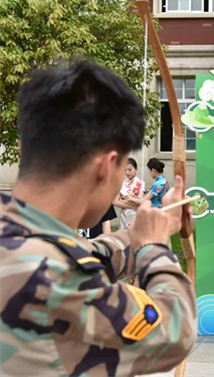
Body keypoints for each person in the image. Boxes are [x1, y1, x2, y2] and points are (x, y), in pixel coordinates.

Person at [0, 59, 196, 376]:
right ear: (105, 167)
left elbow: (80, 254)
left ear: (24, 148)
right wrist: (156, 249)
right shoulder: (55, 280)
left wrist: (145, 232)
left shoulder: (21, 238)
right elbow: (175, 331)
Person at [113, 158, 145, 229]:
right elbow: (115, 202)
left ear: (136, 168)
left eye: (130, 170)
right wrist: (132, 206)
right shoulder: (122, 183)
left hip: (135, 215)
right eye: (125, 170)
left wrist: (123, 201)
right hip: (124, 216)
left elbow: (139, 202)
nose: (127, 172)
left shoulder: (140, 183)